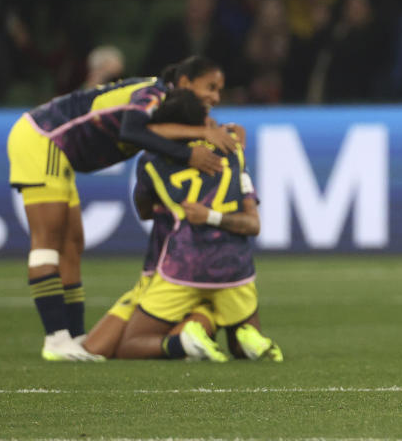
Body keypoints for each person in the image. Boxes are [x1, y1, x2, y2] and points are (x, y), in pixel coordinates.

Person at [7, 55, 238, 361]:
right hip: (42, 139)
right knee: (48, 241)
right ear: (184, 82)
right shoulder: (152, 94)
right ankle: (55, 338)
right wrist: (189, 152)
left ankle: (75, 337)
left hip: (58, 150)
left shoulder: (167, 104)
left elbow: (156, 131)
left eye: (219, 90)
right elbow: (132, 130)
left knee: (72, 244)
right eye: (209, 87)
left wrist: (202, 133)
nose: (215, 97)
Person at [110, 88, 282, 363]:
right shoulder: (233, 148)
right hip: (234, 270)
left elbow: (144, 210)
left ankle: (182, 343)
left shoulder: (151, 163)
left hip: (184, 267)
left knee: (130, 345)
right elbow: (253, 224)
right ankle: (247, 340)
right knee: (240, 345)